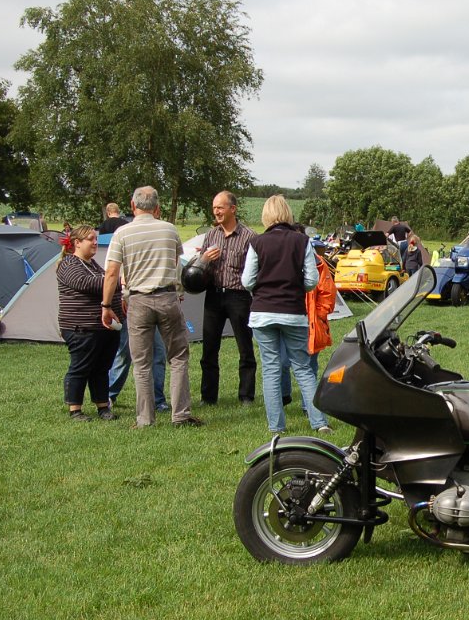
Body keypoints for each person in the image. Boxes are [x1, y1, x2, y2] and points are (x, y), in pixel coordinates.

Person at [101, 186, 201, 428]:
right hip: (167, 298)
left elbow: (112, 271)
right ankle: (181, 414)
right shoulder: (169, 229)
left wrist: (106, 304)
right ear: (157, 208)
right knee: (177, 357)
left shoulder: (122, 233)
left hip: (137, 300)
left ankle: (145, 419)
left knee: (141, 361)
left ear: (132, 206)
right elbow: (177, 262)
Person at [243, 195, 330, 436]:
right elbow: (312, 280)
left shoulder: (257, 242)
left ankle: (276, 427)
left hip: (262, 313)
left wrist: (263, 288)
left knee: (271, 368)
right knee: (303, 368)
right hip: (293, 313)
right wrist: (294, 286)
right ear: (288, 214)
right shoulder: (303, 241)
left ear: (266, 215)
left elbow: (247, 280)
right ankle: (319, 422)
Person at [57, 225, 123, 421]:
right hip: (80, 327)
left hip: (103, 327)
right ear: (77, 243)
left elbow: (105, 284)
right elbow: (89, 284)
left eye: (95, 238)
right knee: (81, 367)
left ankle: (103, 407)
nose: (95, 242)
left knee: (101, 367)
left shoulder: (92, 264)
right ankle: (75, 409)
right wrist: (122, 282)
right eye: (90, 239)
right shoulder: (68, 264)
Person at [198, 191, 257, 406]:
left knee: (245, 347)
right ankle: (208, 397)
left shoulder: (249, 236)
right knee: (209, 349)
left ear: (233, 209)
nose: (216, 212)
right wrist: (204, 258)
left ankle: (246, 396)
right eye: (214, 208)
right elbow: (200, 267)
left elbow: (256, 269)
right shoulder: (211, 235)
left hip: (239, 297)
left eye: (220, 207)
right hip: (213, 295)